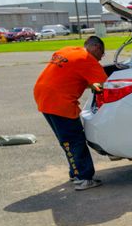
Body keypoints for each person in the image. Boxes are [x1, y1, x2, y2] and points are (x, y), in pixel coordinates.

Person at [33, 36, 107, 190]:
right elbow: (105, 84)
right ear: (96, 48)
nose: (101, 58)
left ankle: (75, 172)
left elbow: (70, 76)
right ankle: (83, 178)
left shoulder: (67, 50)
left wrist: (88, 84)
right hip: (59, 102)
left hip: (43, 96)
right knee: (75, 140)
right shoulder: (87, 59)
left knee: (66, 140)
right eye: (102, 53)